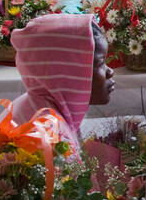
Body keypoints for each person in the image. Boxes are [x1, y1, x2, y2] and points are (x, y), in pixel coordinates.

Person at [9, 15, 115, 151]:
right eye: (100, 63)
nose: (110, 72)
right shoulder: (49, 134)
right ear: (69, 73)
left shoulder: (36, 104)